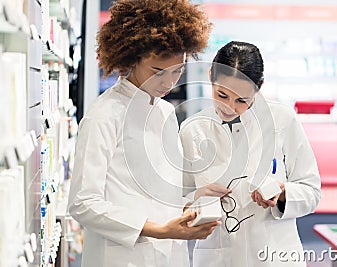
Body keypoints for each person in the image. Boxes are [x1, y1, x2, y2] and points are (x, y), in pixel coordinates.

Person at [67, 1, 218, 266]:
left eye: (178, 71)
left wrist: (190, 205)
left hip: (170, 254)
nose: (169, 83)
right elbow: (83, 203)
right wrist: (157, 230)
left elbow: (164, 190)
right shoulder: (104, 114)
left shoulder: (165, 112)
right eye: (158, 72)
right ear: (132, 58)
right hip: (122, 257)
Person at [180, 41, 321, 267]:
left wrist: (283, 193)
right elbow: (177, 200)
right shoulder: (192, 130)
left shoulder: (282, 120)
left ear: (259, 87)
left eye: (242, 100)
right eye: (222, 95)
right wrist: (196, 198)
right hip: (218, 257)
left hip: (274, 255)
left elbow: (312, 192)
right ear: (210, 76)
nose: (230, 107)